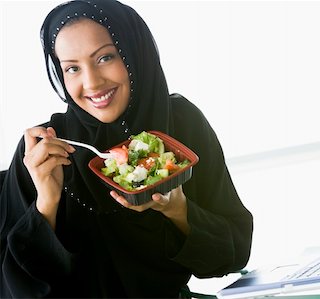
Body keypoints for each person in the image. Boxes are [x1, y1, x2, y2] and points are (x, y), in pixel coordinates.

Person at [0, 0, 253, 297]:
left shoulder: (182, 123)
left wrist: (177, 209)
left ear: (135, 53)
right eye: (72, 68)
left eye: (105, 57)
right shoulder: (42, 152)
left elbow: (231, 256)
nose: (91, 83)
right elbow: (15, 289)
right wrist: (46, 204)